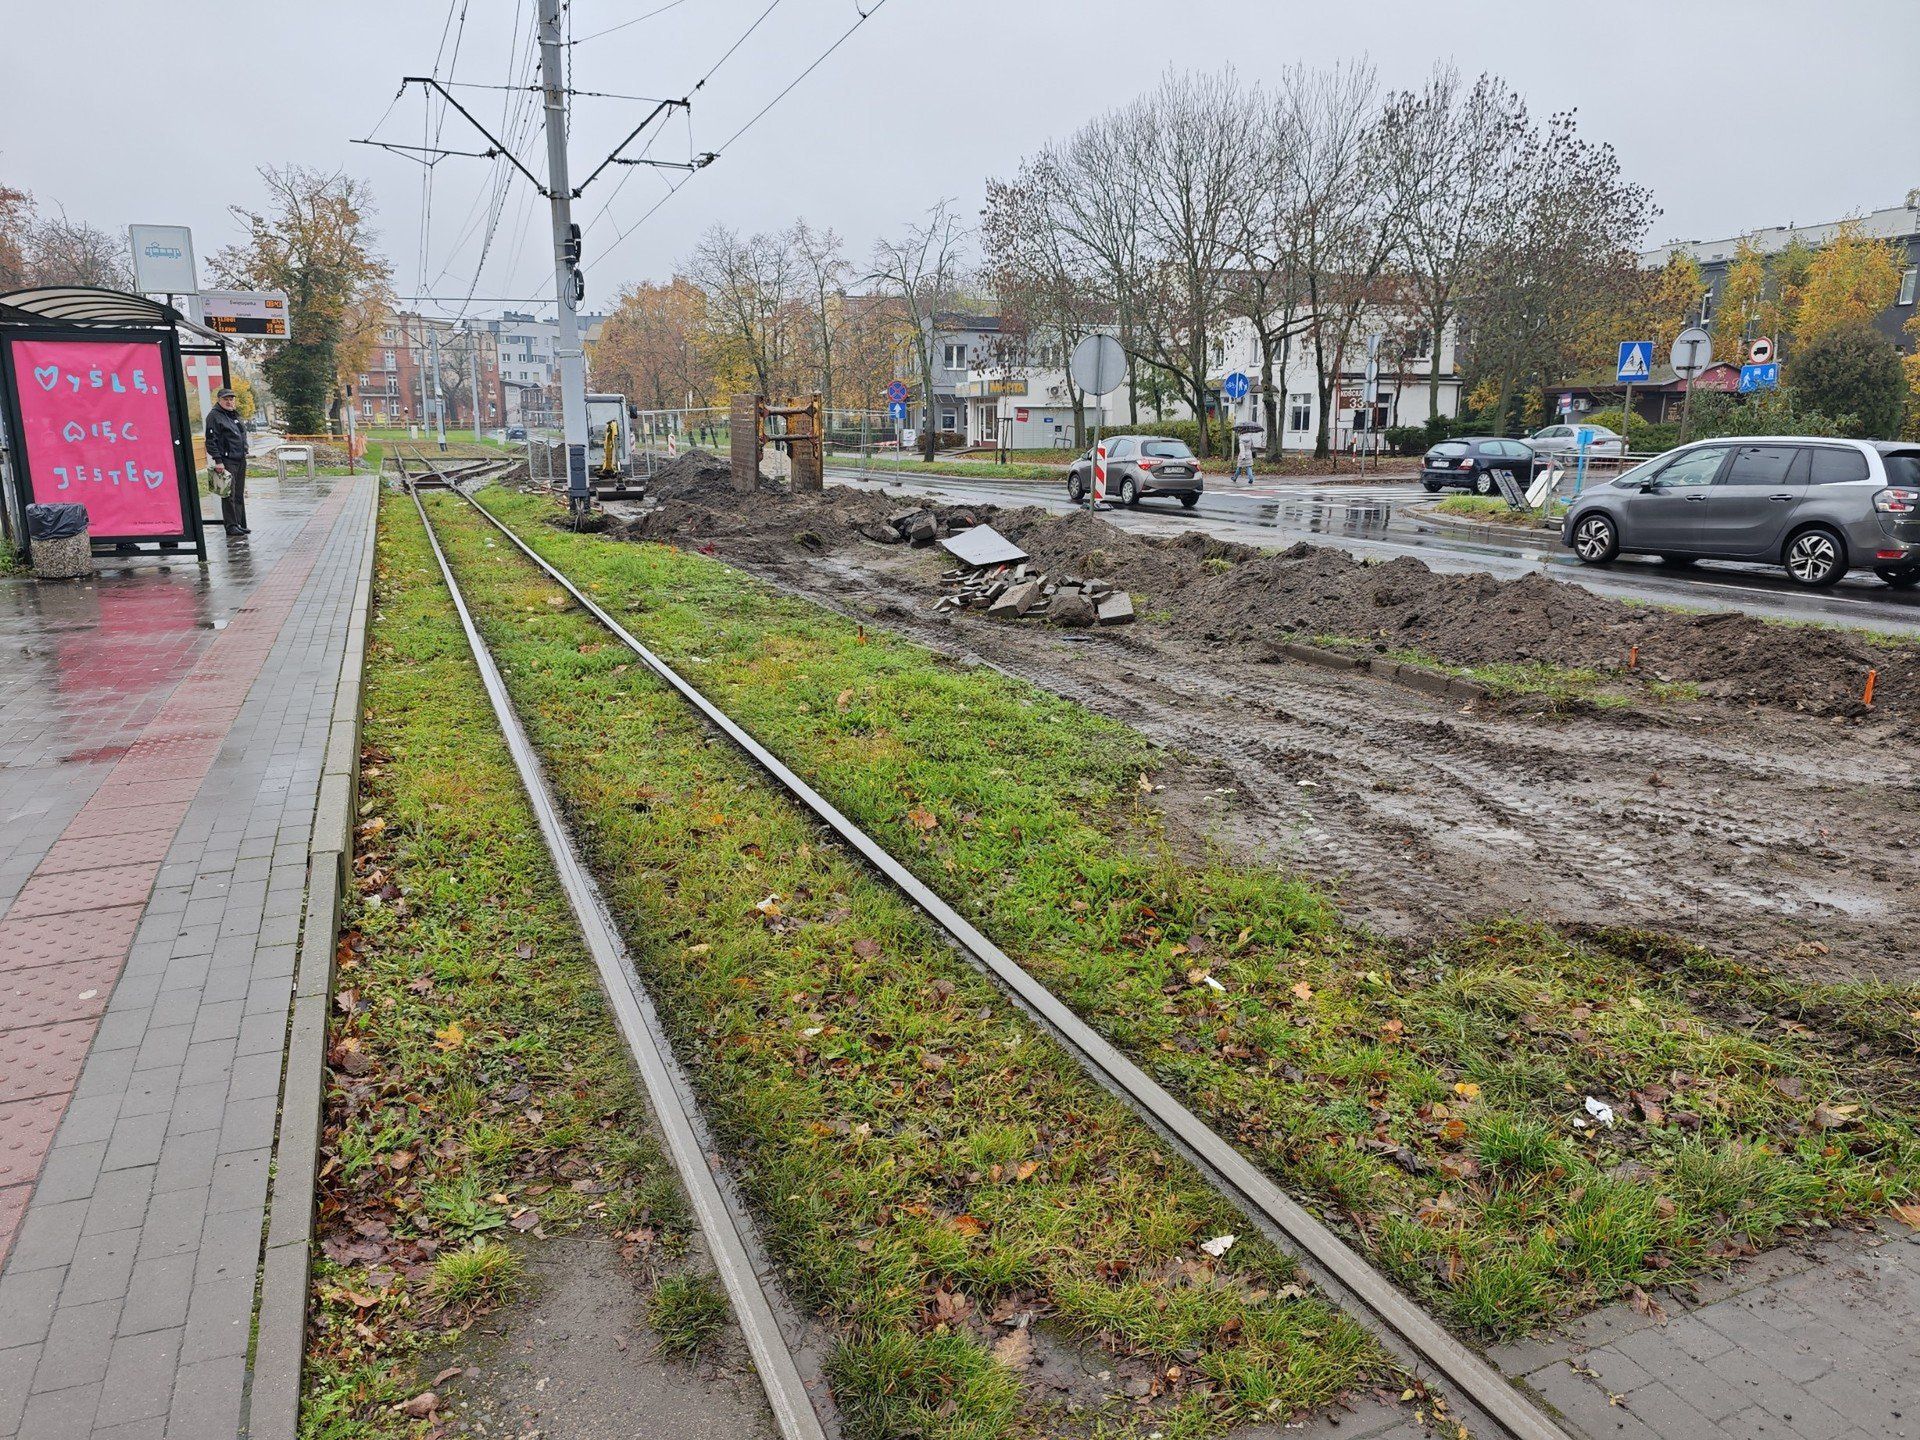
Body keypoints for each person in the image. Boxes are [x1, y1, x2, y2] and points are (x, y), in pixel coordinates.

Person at [204, 387, 250, 536]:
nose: (229, 401)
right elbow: (211, 440)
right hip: (227, 460)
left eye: (231, 399)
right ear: (219, 400)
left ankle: (237, 523)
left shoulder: (233, 415)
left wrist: (245, 449)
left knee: (238, 493)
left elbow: (241, 434)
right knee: (228, 494)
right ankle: (230, 526)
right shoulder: (214, 416)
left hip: (240, 458)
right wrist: (218, 460)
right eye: (226, 399)